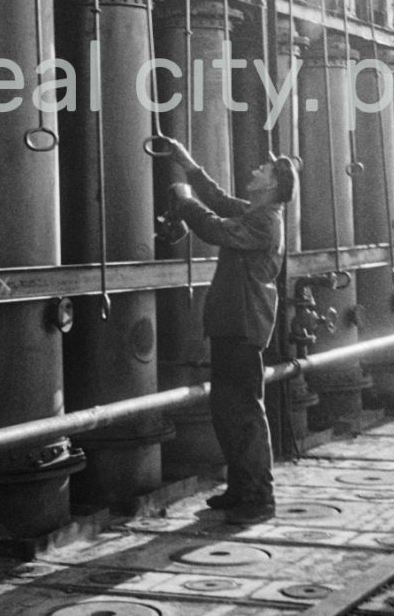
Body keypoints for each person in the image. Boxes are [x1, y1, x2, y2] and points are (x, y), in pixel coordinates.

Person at [164, 139, 297, 524]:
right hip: (232, 324)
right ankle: (241, 488)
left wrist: (185, 202)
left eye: (264, 170)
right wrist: (187, 163)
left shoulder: (265, 221)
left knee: (245, 415)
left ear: (272, 185)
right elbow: (219, 200)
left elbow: (214, 228)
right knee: (228, 413)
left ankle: (259, 498)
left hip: (243, 326)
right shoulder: (256, 212)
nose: (256, 170)